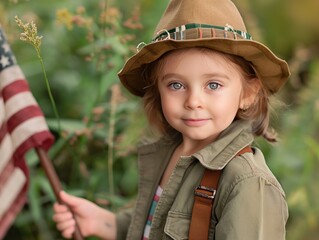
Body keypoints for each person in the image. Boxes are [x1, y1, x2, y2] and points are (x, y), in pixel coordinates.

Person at [53, 0, 290, 239]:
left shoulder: (247, 183)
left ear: (248, 93)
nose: (193, 101)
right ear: (158, 90)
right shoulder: (170, 152)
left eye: (213, 84)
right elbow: (157, 224)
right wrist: (106, 223)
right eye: (176, 85)